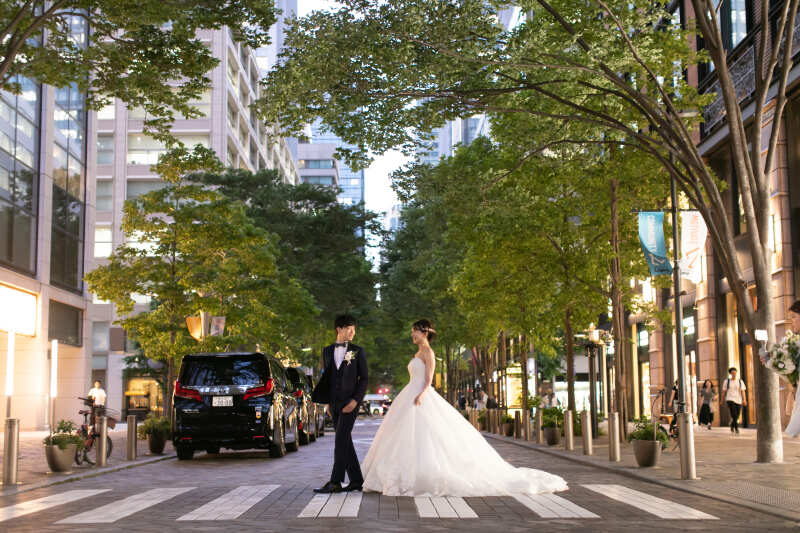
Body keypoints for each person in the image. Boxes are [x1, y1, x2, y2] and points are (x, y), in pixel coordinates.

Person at [361, 319, 567, 496]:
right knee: (406, 437)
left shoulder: (428, 353)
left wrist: (420, 395)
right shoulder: (418, 352)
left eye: (414, 330)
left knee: (426, 436)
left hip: (419, 396)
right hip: (410, 394)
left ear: (424, 332)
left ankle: (420, 476)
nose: (412, 334)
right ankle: (403, 474)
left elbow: (429, 379)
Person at [312, 314, 369, 494]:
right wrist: (327, 403)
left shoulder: (357, 351)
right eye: (349, 329)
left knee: (340, 440)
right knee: (345, 441)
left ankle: (335, 481)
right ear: (339, 329)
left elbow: (364, 378)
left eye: (354, 330)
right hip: (334, 403)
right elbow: (329, 378)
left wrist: (355, 400)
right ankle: (356, 480)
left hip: (349, 403)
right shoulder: (327, 351)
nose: (353, 333)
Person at [722, 367, 746, 435]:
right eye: (732, 373)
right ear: (730, 374)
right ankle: (736, 428)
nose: (734, 374)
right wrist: (722, 400)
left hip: (738, 400)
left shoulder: (740, 381)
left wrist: (744, 400)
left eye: (735, 373)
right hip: (730, 399)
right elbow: (723, 391)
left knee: (737, 415)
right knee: (734, 414)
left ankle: (732, 425)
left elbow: (743, 391)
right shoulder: (727, 381)